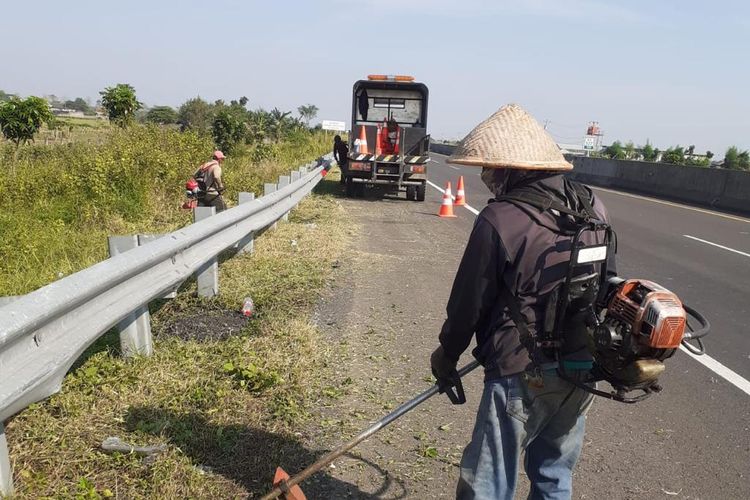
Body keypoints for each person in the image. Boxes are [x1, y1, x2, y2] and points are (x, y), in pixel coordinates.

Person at [429, 104, 615, 500]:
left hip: (520, 372)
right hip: (580, 365)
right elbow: (605, 283)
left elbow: (468, 304)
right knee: (553, 476)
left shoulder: (500, 218)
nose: (489, 178)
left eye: (493, 170)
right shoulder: (592, 206)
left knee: (487, 484)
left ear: (516, 169)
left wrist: (447, 355)